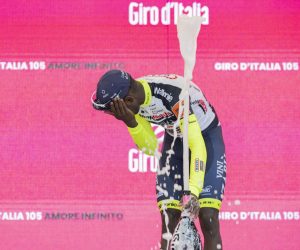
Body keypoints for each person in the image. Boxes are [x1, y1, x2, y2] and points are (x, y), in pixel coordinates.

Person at [91, 69, 226, 250]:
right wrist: (130, 121)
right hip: (176, 137)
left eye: (115, 111)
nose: (115, 115)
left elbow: (197, 146)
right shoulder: (133, 97)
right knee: (169, 218)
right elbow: (151, 147)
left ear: (129, 100)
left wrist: (193, 193)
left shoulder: (173, 95)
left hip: (205, 137)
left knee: (207, 216)